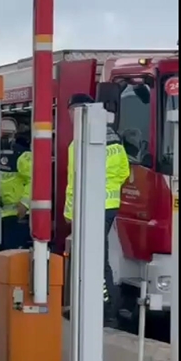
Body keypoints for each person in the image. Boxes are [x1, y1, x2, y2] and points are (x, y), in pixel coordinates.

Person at [64, 93, 130, 327]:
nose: (70, 117)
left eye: (71, 111)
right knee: (99, 259)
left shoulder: (78, 143)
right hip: (109, 207)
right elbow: (124, 172)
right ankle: (104, 307)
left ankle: (103, 310)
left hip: (89, 209)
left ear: (77, 111)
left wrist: (70, 215)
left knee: (91, 260)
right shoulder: (114, 138)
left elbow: (74, 184)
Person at [0, 118, 32, 251]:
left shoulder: (22, 155)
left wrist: (25, 203)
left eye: (7, 135)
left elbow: (34, 180)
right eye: (3, 135)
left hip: (15, 216)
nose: (4, 139)